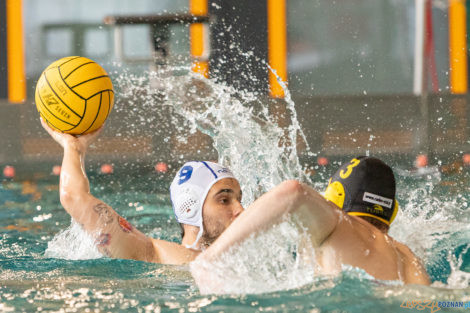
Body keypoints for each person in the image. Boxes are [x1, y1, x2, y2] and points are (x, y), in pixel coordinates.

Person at [41, 120, 429, 285]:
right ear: (191, 208)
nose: (241, 210)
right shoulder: (153, 252)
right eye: (224, 199)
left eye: (241, 198)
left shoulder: (263, 260)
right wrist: (72, 147)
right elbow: (75, 198)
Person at [191, 156, 430, 288]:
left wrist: (209, 260)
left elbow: (292, 191)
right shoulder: (408, 255)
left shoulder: (337, 223)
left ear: (335, 196)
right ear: (392, 211)